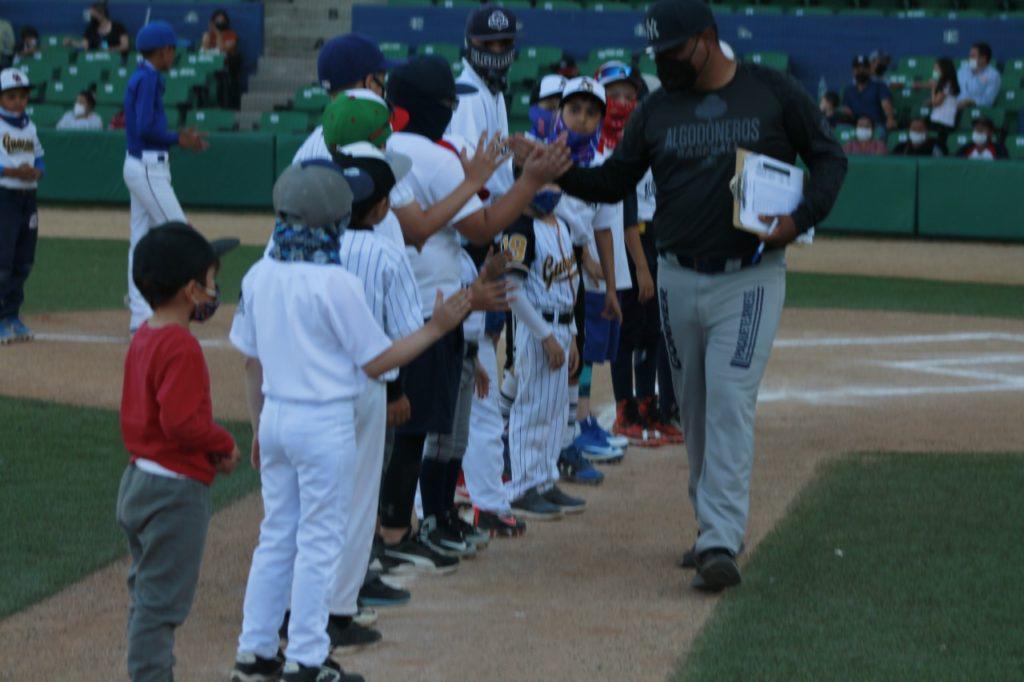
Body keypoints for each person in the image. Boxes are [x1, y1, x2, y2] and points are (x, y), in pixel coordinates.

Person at [551, 0, 847, 592]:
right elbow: (615, 182)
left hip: (750, 274)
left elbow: (829, 157)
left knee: (731, 398)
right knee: (692, 404)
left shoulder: (771, 91)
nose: (666, 63)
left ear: (708, 39)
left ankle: (719, 539)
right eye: (659, 52)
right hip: (677, 276)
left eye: (675, 50)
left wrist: (800, 219)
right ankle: (709, 522)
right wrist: (555, 170)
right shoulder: (657, 109)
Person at [229, 162, 470, 682]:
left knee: (276, 536)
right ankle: (307, 659)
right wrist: (438, 327)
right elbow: (377, 362)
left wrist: (256, 426)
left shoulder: (259, 273)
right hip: (323, 425)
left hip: (276, 417)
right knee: (319, 540)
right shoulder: (335, 282)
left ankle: (254, 652)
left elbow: (251, 362)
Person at [380, 55, 570, 569]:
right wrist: (528, 182)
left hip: (412, 305)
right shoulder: (433, 157)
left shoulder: (393, 148)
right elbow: (484, 226)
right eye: (448, 105)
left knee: (422, 427)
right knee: (418, 428)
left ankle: (417, 522)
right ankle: (398, 530)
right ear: (435, 108)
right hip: (430, 308)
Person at [118, 223, 241, 681]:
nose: (214, 290)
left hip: (139, 480)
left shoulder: (146, 334)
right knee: (160, 604)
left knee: (147, 593)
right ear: (191, 290)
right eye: (210, 280)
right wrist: (223, 444)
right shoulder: (181, 345)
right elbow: (181, 422)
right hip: (172, 492)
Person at [595, 60, 684, 449]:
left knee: (652, 328)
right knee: (628, 331)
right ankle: (624, 410)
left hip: (651, 239)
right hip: (625, 241)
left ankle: (648, 407)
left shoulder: (644, 138)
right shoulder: (605, 146)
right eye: (614, 95)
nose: (623, 102)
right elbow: (626, 212)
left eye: (629, 96)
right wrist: (643, 266)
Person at [503, 188, 585, 519]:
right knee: (532, 407)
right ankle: (522, 487)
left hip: (563, 327)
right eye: (543, 183)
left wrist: (573, 335)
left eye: (554, 183)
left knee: (554, 409)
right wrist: (546, 335)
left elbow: (569, 286)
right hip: (538, 328)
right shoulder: (520, 228)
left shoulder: (561, 225)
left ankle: (545, 479)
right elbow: (511, 291)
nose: (550, 190)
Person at [123, 21, 208, 333]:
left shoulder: (143, 75)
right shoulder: (148, 78)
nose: (174, 55)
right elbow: (146, 127)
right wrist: (178, 138)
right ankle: (192, 300)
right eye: (172, 50)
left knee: (140, 240)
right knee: (180, 234)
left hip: (141, 164)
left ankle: (139, 314)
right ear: (164, 51)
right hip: (147, 167)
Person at [0, 68, 44, 344]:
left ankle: (13, 314)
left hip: (28, 197)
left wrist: (37, 171)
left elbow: (39, 157)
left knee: (23, 260)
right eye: (11, 96)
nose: (18, 101)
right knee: (2, 261)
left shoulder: (29, 126)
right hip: (4, 196)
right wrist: (14, 173)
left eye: (22, 96)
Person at [842, 54, 896, 132]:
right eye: (857, 69)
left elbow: (886, 104)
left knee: (881, 131)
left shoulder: (879, 86)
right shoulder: (848, 90)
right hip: (856, 126)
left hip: (876, 125)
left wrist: (890, 119)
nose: (861, 71)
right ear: (853, 71)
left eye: (864, 68)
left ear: (869, 70)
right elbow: (846, 110)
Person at [201, 9, 241, 109]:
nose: (219, 23)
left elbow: (223, 49)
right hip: (208, 67)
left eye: (222, 20)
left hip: (225, 67)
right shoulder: (209, 35)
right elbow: (203, 51)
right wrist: (207, 36)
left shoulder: (231, 35)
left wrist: (218, 34)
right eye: (217, 20)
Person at [957, 42, 1001, 111]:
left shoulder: (993, 75)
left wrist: (972, 102)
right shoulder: (963, 70)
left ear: (983, 58)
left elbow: (988, 101)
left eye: (973, 56)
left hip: (977, 110)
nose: (969, 58)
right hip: (956, 108)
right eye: (970, 56)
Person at [930, 57, 960, 148]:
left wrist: (933, 88)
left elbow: (936, 103)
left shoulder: (946, 84)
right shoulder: (946, 83)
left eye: (936, 69)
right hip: (940, 121)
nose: (934, 71)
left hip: (943, 123)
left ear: (944, 70)